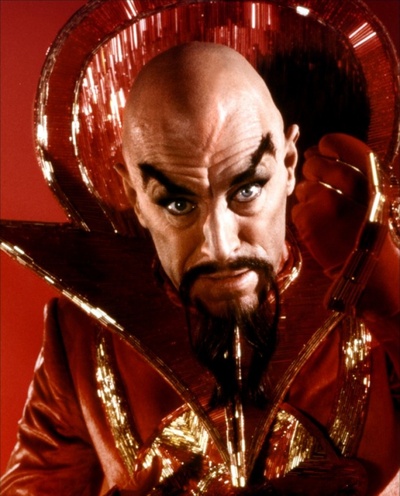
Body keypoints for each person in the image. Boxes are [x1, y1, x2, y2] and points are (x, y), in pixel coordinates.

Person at [1, 42, 399, 495]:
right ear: (133, 196)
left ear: (288, 165)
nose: (219, 245)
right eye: (178, 203)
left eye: (247, 190)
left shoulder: (372, 307)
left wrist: (389, 297)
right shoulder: (82, 338)